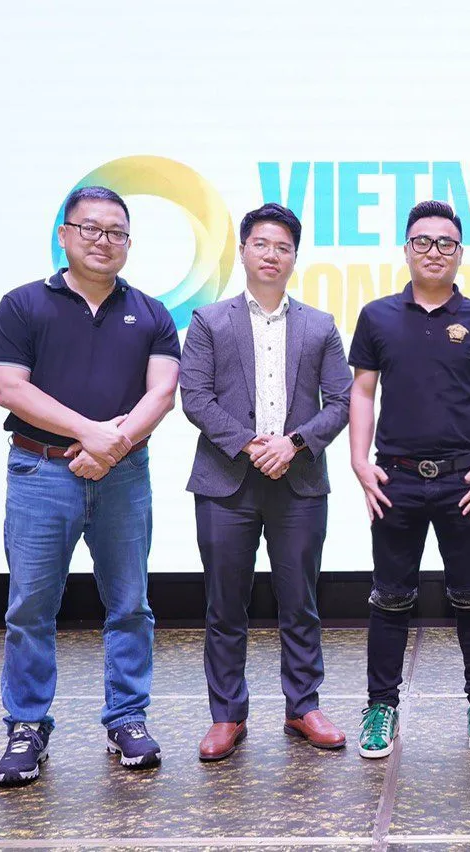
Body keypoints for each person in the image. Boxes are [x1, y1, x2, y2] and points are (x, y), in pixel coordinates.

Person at [0, 186, 180, 786]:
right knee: (30, 607)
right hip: (39, 473)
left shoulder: (150, 312)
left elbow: (162, 393)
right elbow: (9, 388)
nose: (103, 240)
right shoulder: (22, 305)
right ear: (64, 234)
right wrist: (90, 433)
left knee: (131, 604)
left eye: (116, 232)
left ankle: (127, 718)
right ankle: (27, 725)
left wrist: (110, 447)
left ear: (129, 243)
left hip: (124, 476)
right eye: (90, 228)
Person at [180, 203, 352, 761]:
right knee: (224, 605)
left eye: (283, 247)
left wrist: (293, 443)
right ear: (243, 251)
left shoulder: (320, 326)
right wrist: (253, 444)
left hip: (298, 482)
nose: (271, 254)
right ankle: (227, 715)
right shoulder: (209, 321)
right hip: (225, 482)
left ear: (294, 257)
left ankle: (303, 706)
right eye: (261, 244)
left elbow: (342, 401)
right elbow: (195, 397)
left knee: (299, 601)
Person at [348, 200, 470, 758]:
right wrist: (359, 460)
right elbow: (362, 391)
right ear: (406, 249)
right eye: (423, 241)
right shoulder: (377, 316)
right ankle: (381, 706)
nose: (434, 252)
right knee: (389, 597)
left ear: (460, 252)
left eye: (446, 243)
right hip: (393, 479)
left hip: (464, 482)